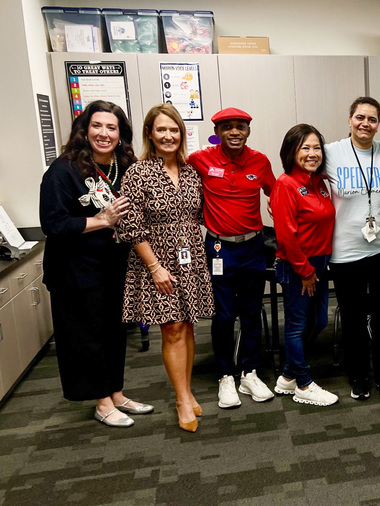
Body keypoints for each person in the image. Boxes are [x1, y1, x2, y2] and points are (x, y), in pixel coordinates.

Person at [40, 100, 152, 428]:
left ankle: (116, 393)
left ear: (121, 134)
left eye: (111, 127)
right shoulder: (64, 170)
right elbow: (54, 223)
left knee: (115, 333)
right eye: (97, 126)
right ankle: (102, 402)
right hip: (75, 271)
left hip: (114, 266)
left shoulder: (126, 164)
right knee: (87, 336)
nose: (104, 133)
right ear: (84, 129)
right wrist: (101, 220)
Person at [117, 104, 214, 433]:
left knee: (188, 327)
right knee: (171, 329)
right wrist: (156, 266)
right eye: (161, 130)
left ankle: (185, 391)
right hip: (156, 261)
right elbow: (131, 226)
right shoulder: (138, 172)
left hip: (191, 258)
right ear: (149, 134)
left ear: (182, 134)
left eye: (174, 130)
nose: (168, 136)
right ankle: (182, 400)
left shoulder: (190, 171)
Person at [187, 108, 276, 409]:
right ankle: (225, 375)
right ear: (218, 132)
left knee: (251, 312)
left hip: (252, 247)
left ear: (248, 130)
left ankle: (249, 372)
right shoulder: (201, 159)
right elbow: (176, 178)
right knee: (223, 316)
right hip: (219, 249)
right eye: (227, 128)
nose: (234, 132)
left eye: (240, 127)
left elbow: (274, 193)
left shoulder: (260, 161)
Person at [325, 96, 380, 401]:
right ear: (349, 119)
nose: (365, 124)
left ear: (378, 124)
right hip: (346, 251)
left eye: (372, 119)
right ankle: (358, 377)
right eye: (360, 117)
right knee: (354, 319)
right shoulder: (331, 153)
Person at [271, 124, 338, 406]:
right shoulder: (286, 184)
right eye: (305, 148)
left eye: (316, 148)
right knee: (297, 326)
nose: (312, 154)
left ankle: (287, 375)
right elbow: (286, 236)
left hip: (319, 265)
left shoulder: (320, 183)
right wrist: (306, 271)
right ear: (291, 152)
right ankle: (303, 383)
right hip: (299, 265)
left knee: (319, 320)